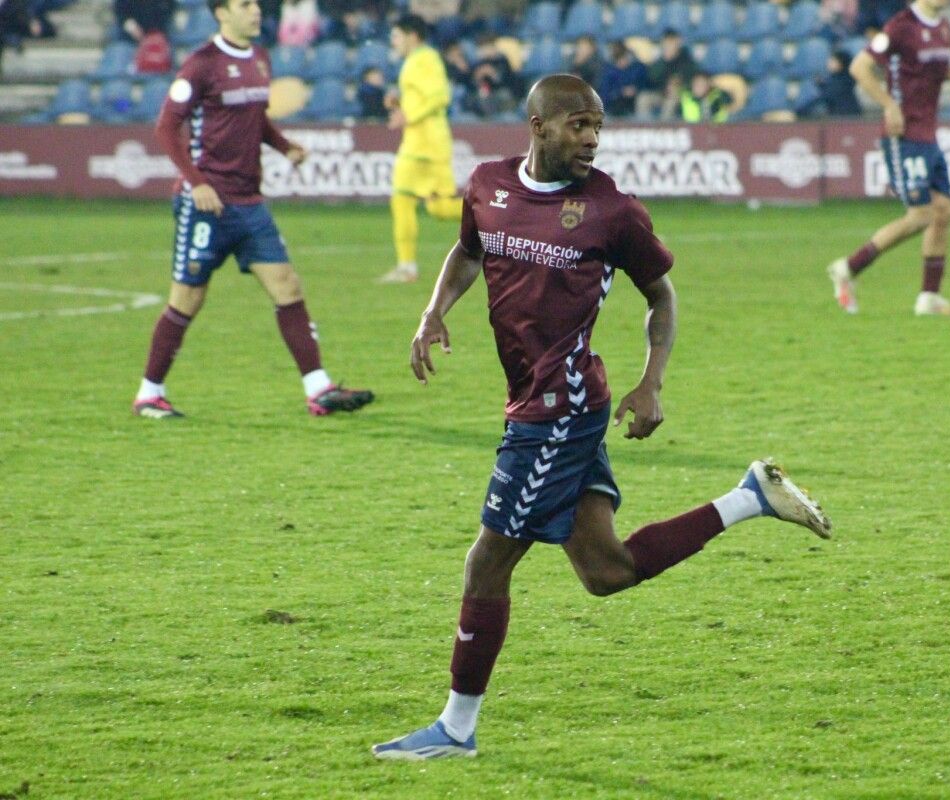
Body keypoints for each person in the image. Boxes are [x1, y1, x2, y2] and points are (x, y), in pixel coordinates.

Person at [370, 73, 832, 761]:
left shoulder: (612, 211)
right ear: (539, 126)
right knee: (605, 571)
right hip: (541, 401)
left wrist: (652, 383)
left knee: (486, 565)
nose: (591, 139)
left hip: (559, 412)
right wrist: (433, 310)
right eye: (578, 125)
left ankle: (457, 730)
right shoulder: (489, 186)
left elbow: (662, 296)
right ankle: (748, 499)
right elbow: (469, 251)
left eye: (598, 127)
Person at [134, 0, 373, 418]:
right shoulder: (201, 64)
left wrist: (285, 148)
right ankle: (149, 393)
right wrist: (198, 183)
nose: (257, 10)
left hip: (250, 202)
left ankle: (318, 389)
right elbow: (166, 127)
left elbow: (256, 120)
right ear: (222, 13)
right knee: (187, 299)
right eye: (245, 4)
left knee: (288, 287)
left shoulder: (260, 59)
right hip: (207, 204)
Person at [827, 0, 950, 317]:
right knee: (921, 214)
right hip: (903, 135)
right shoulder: (900, 26)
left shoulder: (944, 28)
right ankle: (847, 269)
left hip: (928, 134)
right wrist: (888, 105)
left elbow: (927, 75)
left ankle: (929, 298)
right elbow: (859, 67)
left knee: (943, 210)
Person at [378, 14, 461, 284]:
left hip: (426, 144)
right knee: (432, 206)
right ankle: (406, 267)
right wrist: (400, 105)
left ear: (412, 35)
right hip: (422, 142)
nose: (394, 42)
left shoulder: (425, 58)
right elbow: (424, 97)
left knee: (421, 203)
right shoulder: (417, 60)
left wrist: (408, 115)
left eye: (397, 36)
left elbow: (440, 96)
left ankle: (407, 267)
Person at [638, 28, 697, 119]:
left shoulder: (687, 60)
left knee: (670, 102)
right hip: (661, 93)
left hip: (680, 96)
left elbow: (692, 81)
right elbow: (652, 79)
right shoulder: (661, 61)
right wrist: (663, 62)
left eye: (671, 42)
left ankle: (664, 129)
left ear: (677, 42)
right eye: (666, 43)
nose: (668, 46)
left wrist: (678, 87)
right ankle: (645, 129)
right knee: (643, 98)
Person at [598, 39, 646, 118]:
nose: (622, 62)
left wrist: (635, 89)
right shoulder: (608, 73)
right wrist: (621, 92)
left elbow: (645, 84)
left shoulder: (637, 68)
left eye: (624, 57)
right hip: (613, 108)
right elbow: (604, 95)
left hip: (632, 105)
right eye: (619, 59)